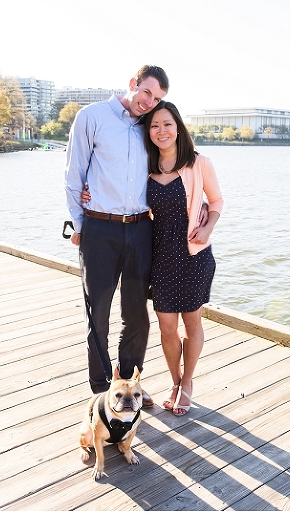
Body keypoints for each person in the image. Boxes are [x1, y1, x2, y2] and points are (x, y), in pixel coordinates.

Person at [64, 65, 171, 404]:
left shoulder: (151, 129)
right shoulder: (91, 117)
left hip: (141, 229)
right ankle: (101, 389)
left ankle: (128, 383)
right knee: (99, 314)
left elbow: (174, 166)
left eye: (157, 99)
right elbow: (73, 175)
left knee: (137, 315)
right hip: (99, 229)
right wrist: (79, 226)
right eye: (147, 93)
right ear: (132, 85)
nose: (149, 102)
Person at [142, 101, 222, 415]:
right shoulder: (144, 167)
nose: (161, 131)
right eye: (154, 125)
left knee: (192, 321)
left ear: (178, 127)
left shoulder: (199, 163)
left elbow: (216, 200)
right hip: (159, 257)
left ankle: (187, 382)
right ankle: (174, 381)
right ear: (148, 132)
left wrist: (208, 226)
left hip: (193, 255)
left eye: (167, 124)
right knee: (165, 326)